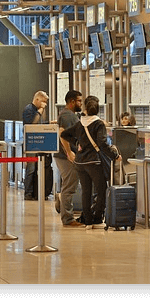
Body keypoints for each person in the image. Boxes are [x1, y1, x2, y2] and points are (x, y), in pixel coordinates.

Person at [60, 95, 120, 229]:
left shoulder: (80, 123)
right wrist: (115, 155)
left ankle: (87, 221)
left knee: (86, 192)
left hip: (80, 162)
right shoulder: (98, 124)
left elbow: (64, 134)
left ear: (86, 108)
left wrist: (78, 143)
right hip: (94, 162)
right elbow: (102, 143)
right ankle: (98, 219)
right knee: (101, 190)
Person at [55, 90, 84, 227]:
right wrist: (69, 152)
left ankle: (65, 210)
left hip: (66, 155)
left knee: (69, 185)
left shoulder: (68, 115)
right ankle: (67, 218)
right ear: (72, 101)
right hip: (65, 156)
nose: (81, 103)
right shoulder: (67, 115)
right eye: (79, 101)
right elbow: (62, 133)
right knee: (69, 186)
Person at [22, 90, 53, 200]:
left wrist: (50, 123)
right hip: (30, 143)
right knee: (30, 169)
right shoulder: (29, 109)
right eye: (43, 102)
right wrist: (40, 111)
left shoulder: (36, 110)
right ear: (37, 99)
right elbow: (32, 125)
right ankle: (28, 193)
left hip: (37, 142)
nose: (44, 104)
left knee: (36, 168)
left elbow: (39, 124)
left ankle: (37, 192)